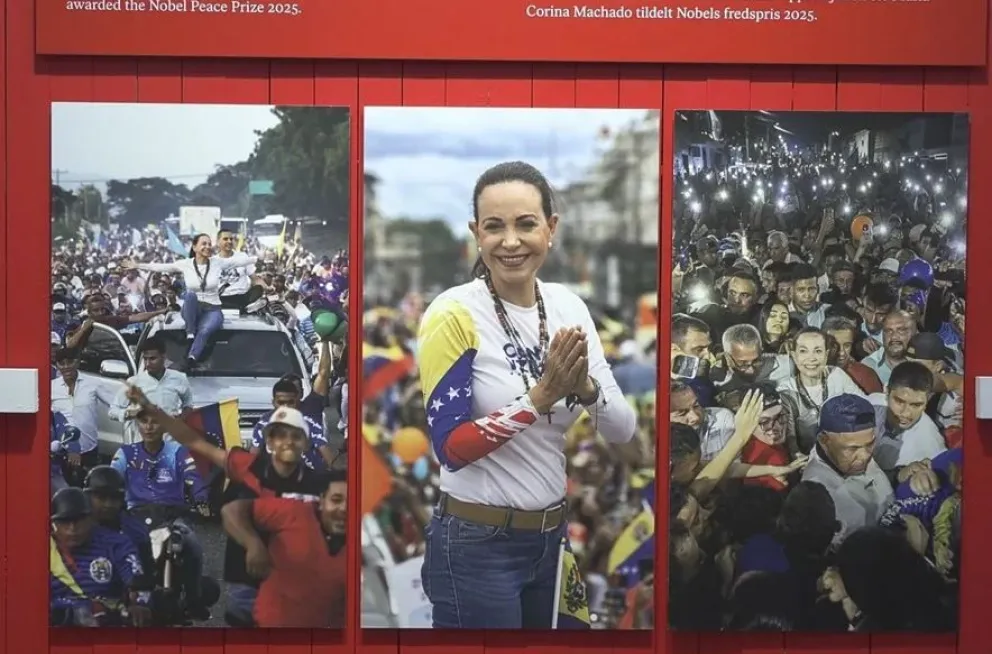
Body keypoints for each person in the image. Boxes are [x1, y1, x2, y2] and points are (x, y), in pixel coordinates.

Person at [415, 161, 637, 629]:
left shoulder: (568, 307)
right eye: (494, 227)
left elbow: (621, 427)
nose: (510, 241)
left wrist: (584, 387)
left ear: (551, 228)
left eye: (526, 224)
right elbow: (450, 449)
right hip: (476, 544)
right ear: (476, 233)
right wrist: (539, 398)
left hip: (553, 540)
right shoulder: (451, 314)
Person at [220, 470, 348, 627]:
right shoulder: (294, 512)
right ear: (322, 500)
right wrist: (253, 543)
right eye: (336, 500)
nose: (344, 509)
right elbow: (231, 511)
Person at [122, 233, 257, 368]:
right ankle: (190, 332)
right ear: (194, 247)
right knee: (191, 295)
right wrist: (138, 265)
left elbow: (240, 261)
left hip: (213, 309)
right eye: (204, 244)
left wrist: (257, 258)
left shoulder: (217, 263)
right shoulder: (185, 264)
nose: (208, 247)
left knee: (205, 331)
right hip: (192, 309)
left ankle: (192, 358)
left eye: (209, 244)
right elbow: (162, 267)